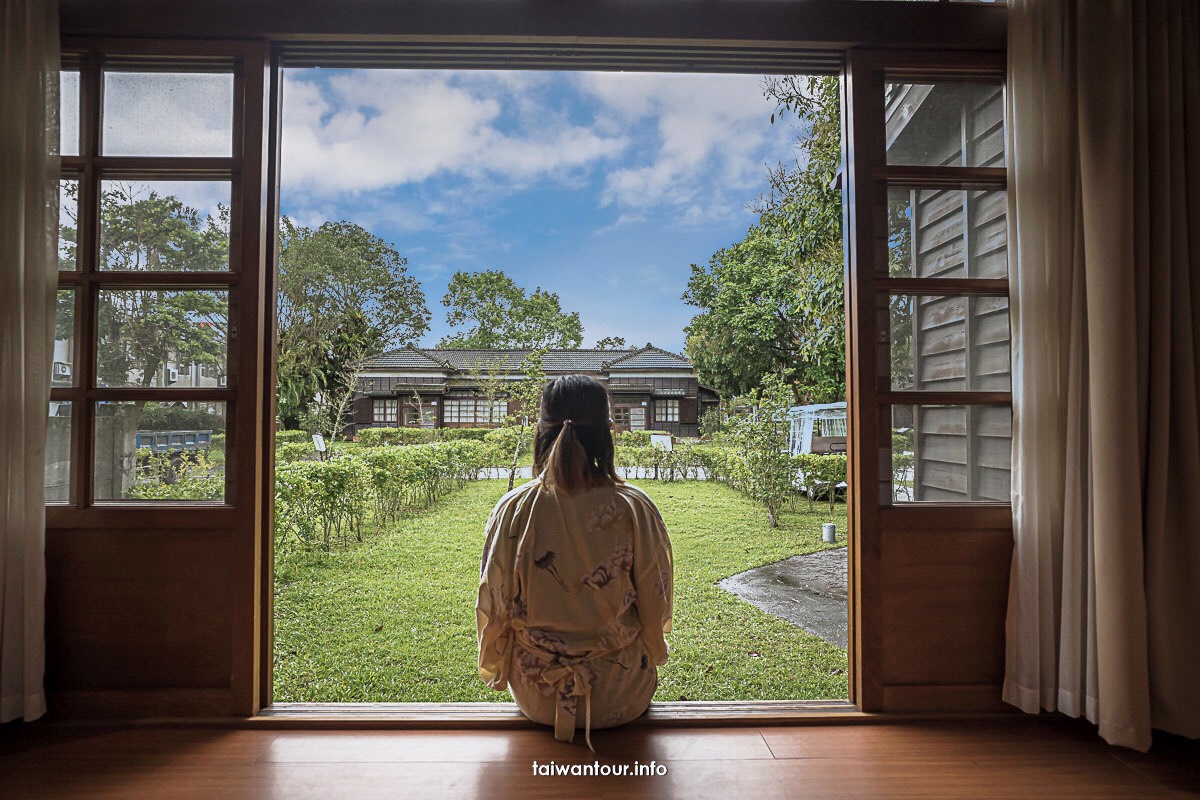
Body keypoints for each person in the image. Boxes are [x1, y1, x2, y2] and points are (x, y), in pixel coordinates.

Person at [476, 374, 674, 751]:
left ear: (541, 433)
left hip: (537, 694)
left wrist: (499, 667)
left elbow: (494, 604)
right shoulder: (634, 508)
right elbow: (655, 600)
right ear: (606, 433)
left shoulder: (515, 509)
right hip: (622, 693)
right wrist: (652, 649)